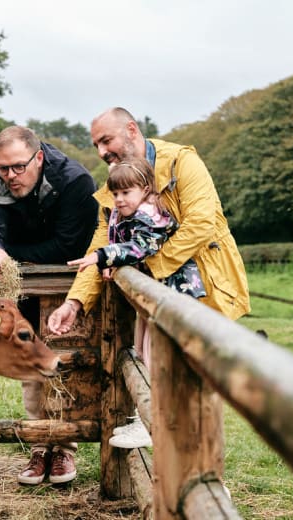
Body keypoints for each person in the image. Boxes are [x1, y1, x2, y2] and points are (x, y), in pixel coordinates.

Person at [48, 106, 250, 447]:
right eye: (96, 144)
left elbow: (201, 223)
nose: (101, 152)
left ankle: (206, 488)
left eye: (106, 140)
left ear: (131, 129)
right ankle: (164, 451)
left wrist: (151, 267)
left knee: (191, 383)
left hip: (200, 289)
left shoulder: (182, 162)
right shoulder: (118, 186)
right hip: (156, 295)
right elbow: (103, 243)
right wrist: (76, 300)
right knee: (153, 361)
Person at [0, 125, 98, 485]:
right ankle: (39, 443)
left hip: (67, 287)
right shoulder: (1, 175)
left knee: (63, 359)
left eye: (17, 168)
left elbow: (68, 246)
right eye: (3, 168)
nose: (10, 176)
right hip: (24, 285)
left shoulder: (76, 182)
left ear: (38, 157)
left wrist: (9, 254)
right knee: (30, 360)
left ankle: (64, 447)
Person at [68, 157, 206, 448]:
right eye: (115, 193)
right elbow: (118, 238)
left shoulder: (152, 216)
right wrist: (112, 265)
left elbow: (140, 246)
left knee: (160, 358)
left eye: (125, 193)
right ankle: (147, 417)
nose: (118, 200)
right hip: (150, 299)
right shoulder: (124, 213)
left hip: (170, 297)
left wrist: (102, 257)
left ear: (145, 190)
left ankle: (156, 421)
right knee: (143, 353)